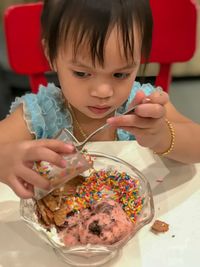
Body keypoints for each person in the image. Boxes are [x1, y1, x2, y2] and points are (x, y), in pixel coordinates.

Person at [0, 0, 200, 199]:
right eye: (81, 73)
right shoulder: (41, 114)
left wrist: (162, 135)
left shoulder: (141, 105)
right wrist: (5, 159)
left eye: (120, 74)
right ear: (51, 55)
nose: (103, 92)